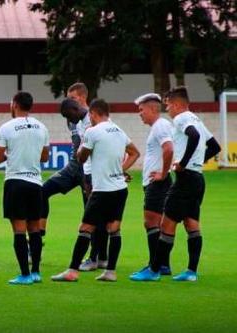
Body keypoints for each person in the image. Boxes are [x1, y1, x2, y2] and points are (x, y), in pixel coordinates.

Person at [131, 86, 221, 282]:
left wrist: (183, 163)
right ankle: (191, 271)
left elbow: (194, 136)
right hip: (198, 178)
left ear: (179, 105)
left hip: (185, 179)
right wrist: (197, 161)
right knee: (192, 224)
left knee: (166, 224)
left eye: (169, 105)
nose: (168, 110)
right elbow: (215, 146)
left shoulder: (181, 119)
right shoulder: (197, 119)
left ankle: (154, 270)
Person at [52, 99, 140, 282]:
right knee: (114, 229)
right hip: (120, 189)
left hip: (102, 190)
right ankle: (110, 272)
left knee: (85, 228)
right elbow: (134, 153)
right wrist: (121, 170)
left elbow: (82, 158)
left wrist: (81, 150)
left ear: (93, 113)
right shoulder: (118, 130)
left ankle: (72, 271)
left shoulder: (92, 132)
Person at [39, 83, 108, 271]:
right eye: (68, 98)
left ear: (83, 98)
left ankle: (97, 256)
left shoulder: (94, 119)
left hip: (91, 170)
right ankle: (38, 240)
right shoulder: (71, 118)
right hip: (73, 168)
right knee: (43, 191)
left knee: (93, 212)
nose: (70, 102)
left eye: (74, 98)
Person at [0, 92, 49, 285]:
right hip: (35, 183)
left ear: (15, 105)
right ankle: (36, 272)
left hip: (15, 181)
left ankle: (24, 274)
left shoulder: (6, 127)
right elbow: (44, 157)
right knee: (34, 228)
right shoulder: (42, 127)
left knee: (19, 230)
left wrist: (11, 154)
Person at [129, 93, 174, 278]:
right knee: (159, 224)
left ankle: (153, 267)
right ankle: (162, 265)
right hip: (156, 182)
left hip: (158, 183)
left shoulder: (160, 125)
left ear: (153, 109)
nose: (140, 114)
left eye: (141, 110)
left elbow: (169, 148)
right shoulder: (159, 126)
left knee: (151, 223)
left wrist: (163, 173)